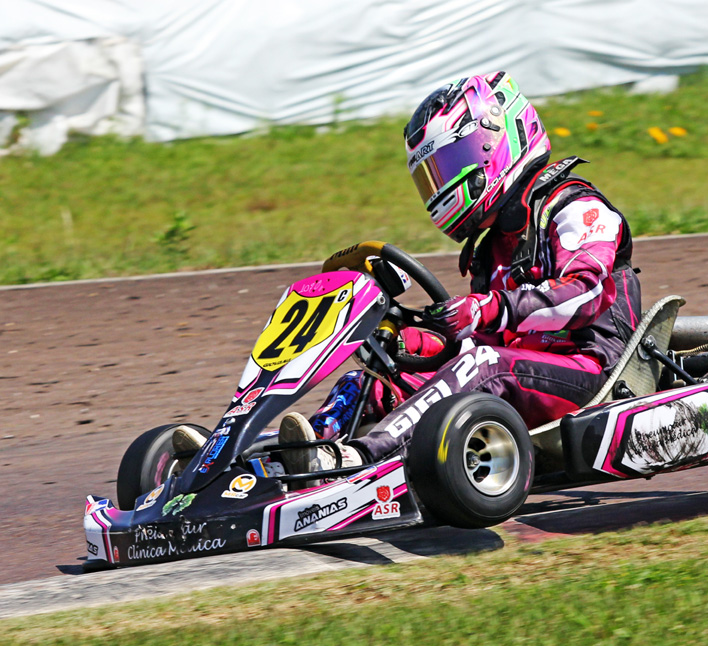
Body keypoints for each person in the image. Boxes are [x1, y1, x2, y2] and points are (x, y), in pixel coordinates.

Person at [174, 70, 641, 476]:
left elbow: (584, 294)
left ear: (495, 143)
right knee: (369, 382)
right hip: (516, 372)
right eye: (432, 176)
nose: (440, 186)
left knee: (482, 365)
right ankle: (264, 459)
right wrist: (407, 340)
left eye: (451, 166)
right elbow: (478, 338)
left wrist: (485, 310)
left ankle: (356, 460)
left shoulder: (574, 207)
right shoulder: (493, 242)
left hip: (593, 376)